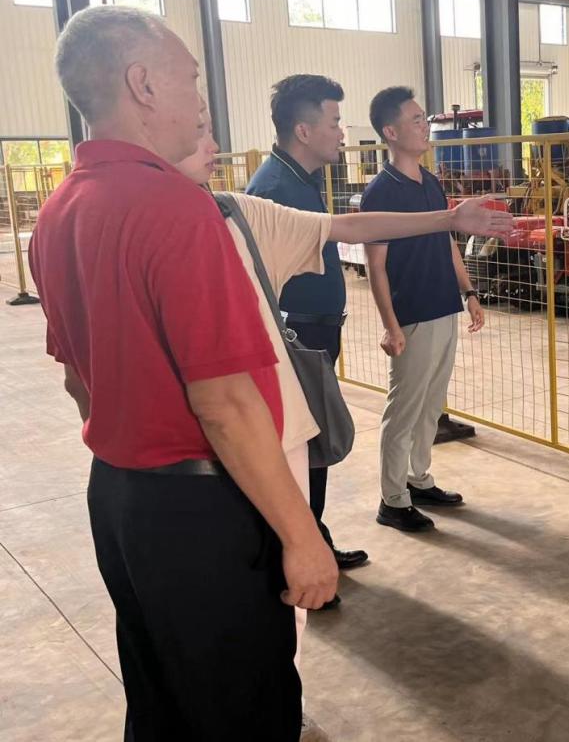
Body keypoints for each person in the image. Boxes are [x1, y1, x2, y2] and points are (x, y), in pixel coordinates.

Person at [29, 7, 335, 741]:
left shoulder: (59, 211)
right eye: (191, 81)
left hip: (122, 501)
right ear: (142, 85)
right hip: (205, 514)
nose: (201, 102)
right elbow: (226, 403)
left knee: (162, 698)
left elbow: (77, 380)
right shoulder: (175, 207)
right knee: (243, 707)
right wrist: (303, 534)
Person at [173, 116, 510, 737]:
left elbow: (345, 229)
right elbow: (222, 404)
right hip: (212, 457)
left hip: (219, 442)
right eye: (198, 126)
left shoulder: (235, 208)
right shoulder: (235, 207)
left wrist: (450, 222)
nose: (214, 143)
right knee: (236, 614)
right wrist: (301, 538)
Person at [246, 75, 363, 570]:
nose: (341, 133)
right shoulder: (274, 190)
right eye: (334, 122)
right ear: (303, 130)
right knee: (303, 447)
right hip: (296, 337)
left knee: (311, 444)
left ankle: (315, 540)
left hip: (315, 332)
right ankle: (303, 553)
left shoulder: (299, 180)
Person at [362, 87, 485, 532]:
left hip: (443, 308)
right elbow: (376, 266)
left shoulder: (430, 183)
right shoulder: (381, 192)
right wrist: (390, 325)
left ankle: (417, 479)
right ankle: (392, 500)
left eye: (423, 119)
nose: (424, 127)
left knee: (431, 405)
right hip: (411, 315)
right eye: (415, 120)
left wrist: (468, 291)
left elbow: (447, 242)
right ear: (391, 132)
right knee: (404, 410)